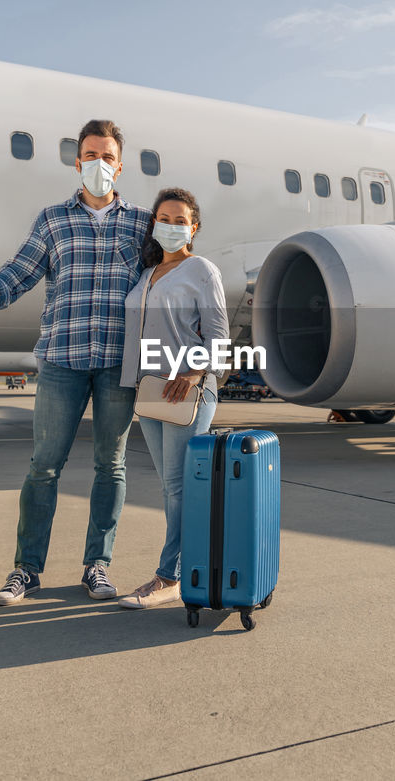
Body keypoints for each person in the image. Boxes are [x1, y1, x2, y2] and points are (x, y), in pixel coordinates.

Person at [0, 119, 151, 605]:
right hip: (62, 360)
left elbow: (167, 277)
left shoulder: (140, 223)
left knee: (111, 467)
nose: (99, 164)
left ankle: (98, 566)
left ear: (120, 165)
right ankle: (26, 570)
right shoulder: (52, 219)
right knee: (44, 466)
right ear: (77, 162)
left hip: (117, 363)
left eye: (108, 156)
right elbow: (23, 267)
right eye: (91, 155)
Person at [117, 187, 228, 609]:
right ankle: (185, 571)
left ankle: (169, 578)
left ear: (193, 228)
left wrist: (195, 370)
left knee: (182, 488)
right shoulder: (146, 276)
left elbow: (219, 336)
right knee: (171, 488)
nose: (172, 225)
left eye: (181, 220)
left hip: (188, 390)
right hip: (150, 392)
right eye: (164, 218)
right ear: (153, 225)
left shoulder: (202, 270)